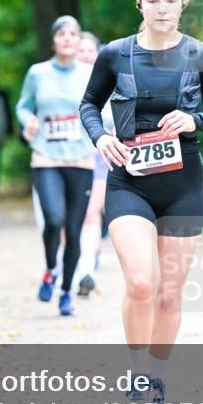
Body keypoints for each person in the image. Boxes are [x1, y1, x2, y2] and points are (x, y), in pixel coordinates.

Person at [79, 0, 203, 404]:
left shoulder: (202, 55)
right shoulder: (115, 54)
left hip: (183, 186)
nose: (162, 8)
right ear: (140, 4)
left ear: (182, 4)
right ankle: (136, 379)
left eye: (171, 0)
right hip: (129, 180)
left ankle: (157, 376)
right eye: (153, 0)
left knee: (169, 294)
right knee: (141, 282)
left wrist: (194, 119)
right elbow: (89, 104)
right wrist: (100, 137)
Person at [16, 16, 96, 317]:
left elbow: (103, 109)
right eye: (62, 33)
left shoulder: (90, 73)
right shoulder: (38, 73)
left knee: (74, 230)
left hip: (81, 156)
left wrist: (110, 130)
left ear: (78, 40)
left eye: (73, 34)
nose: (67, 38)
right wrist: (28, 121)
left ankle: (65, 293)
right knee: (54, 219)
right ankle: (51, 269)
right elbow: (23, 106)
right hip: (46, 155)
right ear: (54, 40)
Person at [74, 31, 111, 297]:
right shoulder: (59, 82)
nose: (86, 55)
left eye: (90, 50)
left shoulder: (109, 81)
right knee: (70, 216)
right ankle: (71, 264)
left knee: (91, 213)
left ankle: (87, 268)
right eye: (81, 50)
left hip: (98, 155)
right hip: (66, 158)